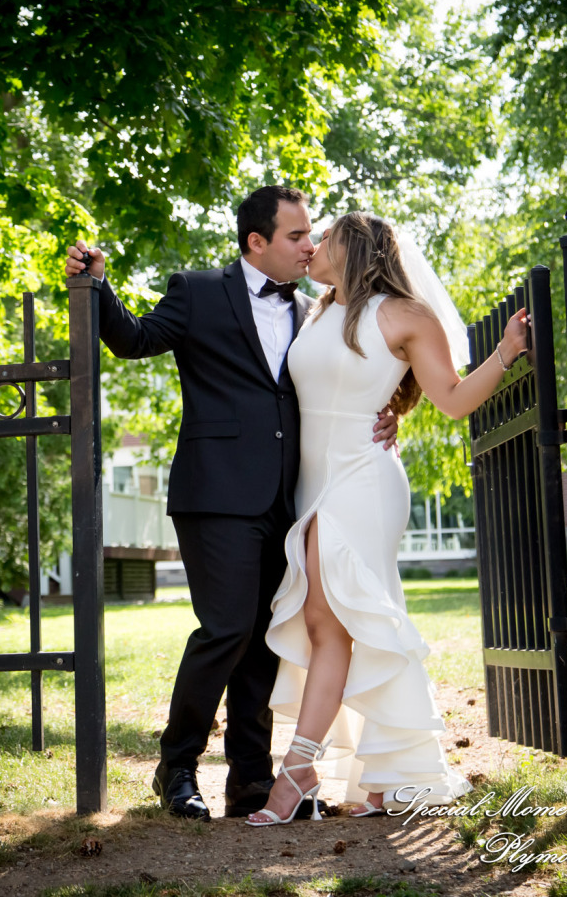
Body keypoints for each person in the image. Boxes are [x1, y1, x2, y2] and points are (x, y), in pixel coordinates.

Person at [63, 187, 398, 821]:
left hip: (291, 497)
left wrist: (386, 416)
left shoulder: (316, 312)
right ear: (257, 242)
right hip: (215, 491)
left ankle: (250, 780)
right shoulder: (197, 290)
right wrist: (99, 289)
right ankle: (177, 766)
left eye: (312, 236)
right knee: (227, 629)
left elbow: (352, 378)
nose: (311, 246)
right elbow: (135, 339)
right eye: (298, 236)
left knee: (268, 639)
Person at [244, 211, 530, 826]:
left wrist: (506, 354)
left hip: (365, 483)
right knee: (343, 626)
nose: (313, 246)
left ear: (356, 248)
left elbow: (451, 399)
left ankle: (297, 770)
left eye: (325, 237)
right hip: (313, 484)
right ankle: (386, 778)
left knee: (329, 621)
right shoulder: (316, 311)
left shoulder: (406, 315)